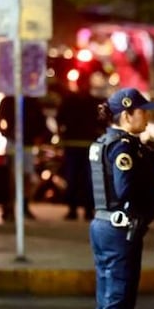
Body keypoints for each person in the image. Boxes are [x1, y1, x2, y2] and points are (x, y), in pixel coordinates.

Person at [88, 87, 154, 309]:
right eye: (142, 111)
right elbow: (125, 190)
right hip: (119, 231)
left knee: (106, 303)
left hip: (104, 225)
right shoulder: (123, 147)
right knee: (118, 302)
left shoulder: (103, 143)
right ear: (126, 114)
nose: (146, 116)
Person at [57, 79, 105, 220]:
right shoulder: (74, 101)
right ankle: (77, 209)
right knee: (78, 178)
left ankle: (85, 209)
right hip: (79, 144)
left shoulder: (90, 102)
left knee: (85, 179)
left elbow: (60, 120)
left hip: (83, 144)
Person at [0, 93, 49, 221]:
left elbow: (41, 122)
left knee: (26, 176)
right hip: (13, 143)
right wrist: (7, 133)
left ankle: (23, 205)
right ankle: (9, 206)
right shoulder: (8, 100)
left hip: (27, 144)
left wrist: (37, 137)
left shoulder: (32, 102)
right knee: (11, 176)